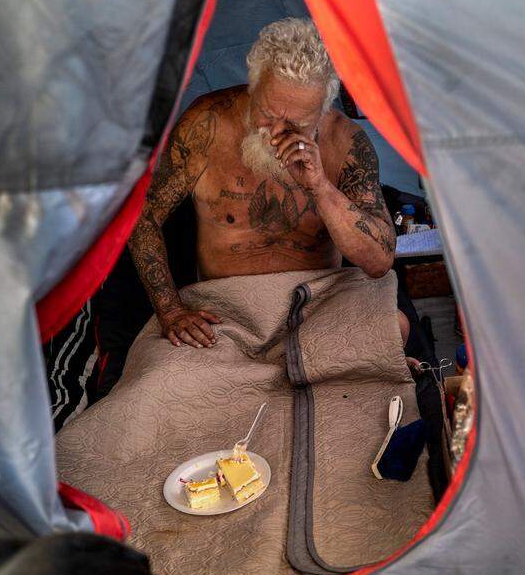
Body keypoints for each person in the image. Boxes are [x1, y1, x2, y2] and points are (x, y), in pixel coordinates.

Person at [128, 17, 405, 348]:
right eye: (268, 114)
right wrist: (171, 311)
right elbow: (143, 218)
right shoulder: (206, 125)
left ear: (321, 112)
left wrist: (319, 186)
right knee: (159, 373)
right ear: (253, 86)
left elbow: (378, 263)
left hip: (320, 302)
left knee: (396, 327)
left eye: (296, 124)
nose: (276, 135)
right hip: (226, 312)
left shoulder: (345, 142)